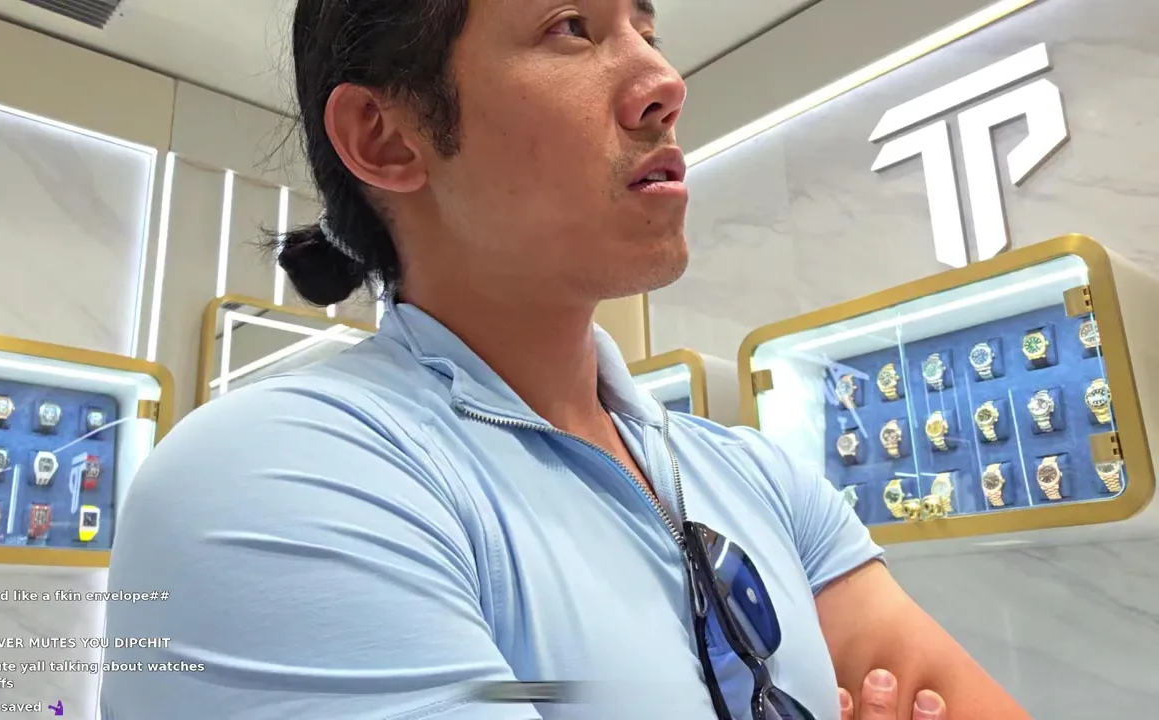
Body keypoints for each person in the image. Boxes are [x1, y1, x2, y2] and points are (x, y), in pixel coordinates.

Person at [100, 1, 1033, 718]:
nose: (664, 81)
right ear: (386, 138)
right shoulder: (277, 480)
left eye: (646, 29)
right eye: (571, 28)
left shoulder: (760, 479)